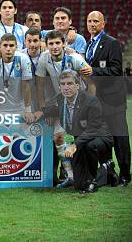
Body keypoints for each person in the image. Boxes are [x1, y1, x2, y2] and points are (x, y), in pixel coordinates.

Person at [31, 70, 117, 193]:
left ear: (77, 86)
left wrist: (74, 145)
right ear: (59, 87)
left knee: (88, 147)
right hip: (81, 140)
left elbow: (92, 129)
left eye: (70, 83)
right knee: (78, 184)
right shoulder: (61, 99)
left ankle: (100, 172)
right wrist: (42, 112)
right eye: (63, 84)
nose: (66, 87)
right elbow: (57, 110)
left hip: (99, 136)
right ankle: (105, 170)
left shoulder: (90, 101)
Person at [36, 29, 93, 186]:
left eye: (57, 43)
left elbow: (91, 82)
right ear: (46, 45)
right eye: (51, 44)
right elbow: (39, 87)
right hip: (61, 105)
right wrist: (44, 110)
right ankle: (70, 176)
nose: (54, 46)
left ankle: (86, 174)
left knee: (79, 140)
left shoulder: (74, 57)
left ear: (64, 44)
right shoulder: (44, 58)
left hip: (80, 104)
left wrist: (90, 105)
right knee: (59, 138)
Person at [86, 11, 130, 186]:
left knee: (120, 138)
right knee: (103, 139)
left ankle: (125, 175)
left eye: (96, 21)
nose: (92, 24)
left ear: (103, 24)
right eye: (89, 21)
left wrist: (93, 71)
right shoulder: (89, 44)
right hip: (97, 101)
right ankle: (109, 174)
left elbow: (116, 70)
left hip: (113, 101)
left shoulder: (111, 43)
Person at [0, 33, 33, 117]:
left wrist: (28, 110)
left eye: (11, 45)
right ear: (0, 47)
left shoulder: (23, 59)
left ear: (16, 47)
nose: (8, 49)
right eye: (5, 45)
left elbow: (26, 87)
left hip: (20, 109)